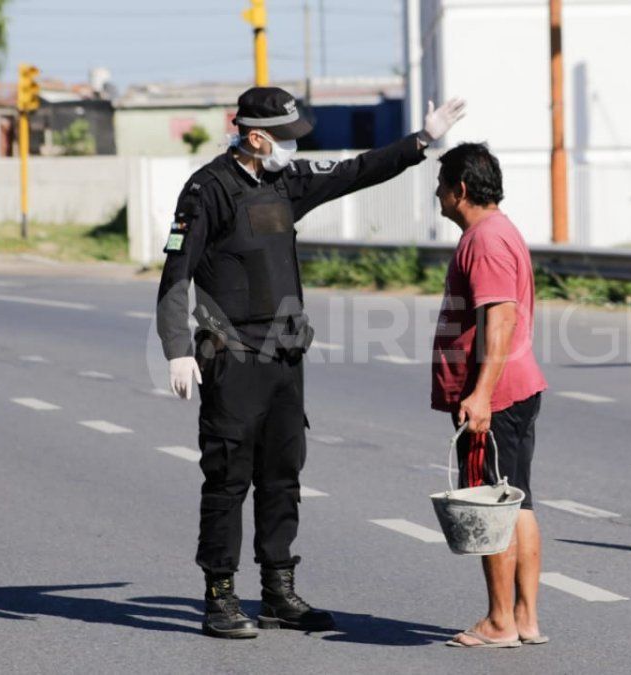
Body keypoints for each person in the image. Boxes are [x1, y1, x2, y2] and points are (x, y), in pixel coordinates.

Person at [156, 86, 466, 639]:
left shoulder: (286, 181)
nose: (294, 148)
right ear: (255, 137)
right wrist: (178, 349)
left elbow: (355, 171)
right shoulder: (208, 190)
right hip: (232, 360)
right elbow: (175, 275)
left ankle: (277, 590)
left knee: (282, 477)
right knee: (228, 479)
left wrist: (421, 140)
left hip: (284, 359)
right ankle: (220, 594)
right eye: (285, 138)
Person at [430, 143, 548, 648]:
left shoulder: (484, 239)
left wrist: (480, 395)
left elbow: (499, 318)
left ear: (460, 189)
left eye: (440, 185)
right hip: (515, 388)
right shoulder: (499, 231)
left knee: (490, 506)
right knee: (517, 501)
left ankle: (500, 621)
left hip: (495, 397)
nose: (436, 194)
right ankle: (524, 618)